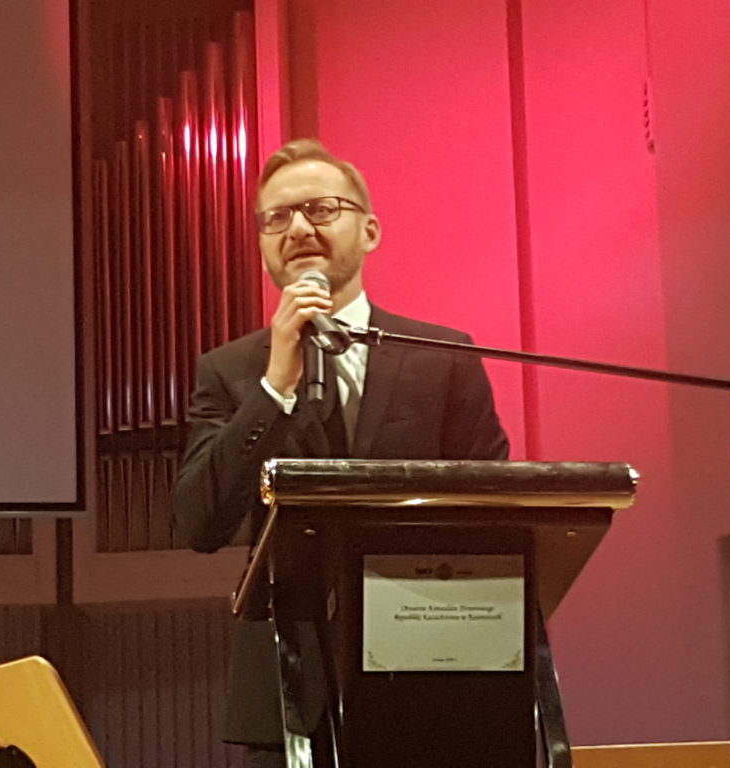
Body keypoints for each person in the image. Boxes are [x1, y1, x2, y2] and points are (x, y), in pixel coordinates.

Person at [172, 138, 509, 766]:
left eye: (321, 209)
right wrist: (275, 387)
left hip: (433, 675)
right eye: (277, 218)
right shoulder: (229, 371)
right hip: (289, 693)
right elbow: (199, 522)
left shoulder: (443, 358)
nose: (298, 228)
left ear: (370, 230)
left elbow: (495, 515)